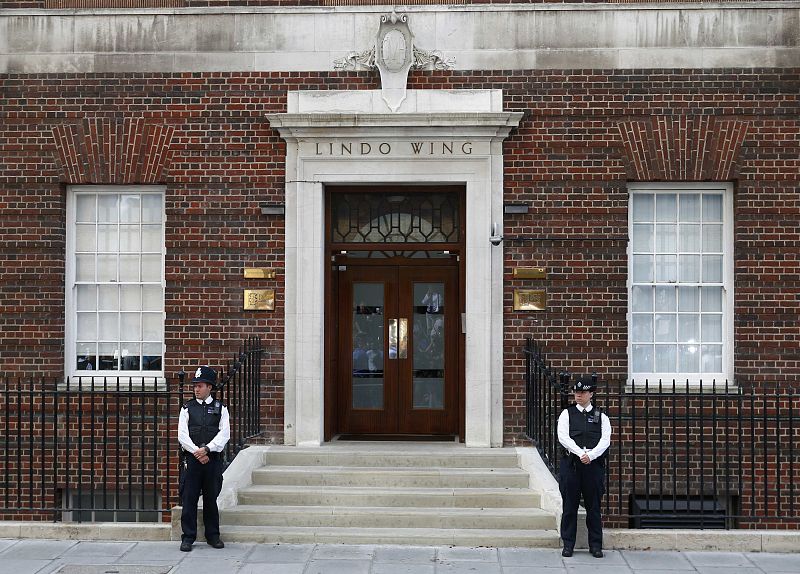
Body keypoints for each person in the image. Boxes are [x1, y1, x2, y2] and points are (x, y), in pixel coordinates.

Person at [557, 375, 612, 559]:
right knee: (570, 507)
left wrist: (591, 455)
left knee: (594, 507)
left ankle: (595, 545)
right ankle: (568, 544)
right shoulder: (567, 414)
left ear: (591, 394)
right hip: (572, 464)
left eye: (582, 392)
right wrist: (580, 453)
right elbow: (563, 437)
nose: (578, 395)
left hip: (593, 466)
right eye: (576, 392)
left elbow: (605, 440)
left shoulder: (601, 416)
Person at [177, 365, 230, 552]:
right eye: (195, 386)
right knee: (189, 499)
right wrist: (197, 452)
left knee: (210, 499)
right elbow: (182, 435)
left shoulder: (221, 408)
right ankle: (188, 537)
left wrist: (207, 449)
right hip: (193, 461)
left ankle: (213, 536)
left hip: (212, 461)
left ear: (209, 387)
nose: (196, 389)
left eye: (200, 385)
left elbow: (225, 434)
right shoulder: (187, 408)